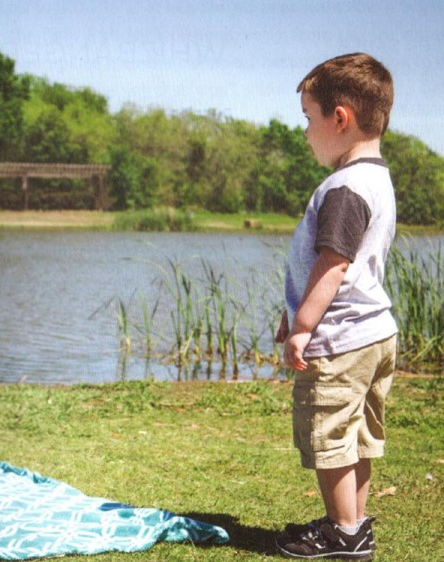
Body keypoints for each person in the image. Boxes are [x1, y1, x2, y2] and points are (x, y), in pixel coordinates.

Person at [274, 53, 397, 560]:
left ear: (339, 118)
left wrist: (303, 325)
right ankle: (351, 523)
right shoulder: (378, 179)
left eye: (308, 118)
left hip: (340, 340)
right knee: (357, 438)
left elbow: (334, 264)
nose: (305, 131)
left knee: (330, 437)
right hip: (374, 334)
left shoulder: (345, 187)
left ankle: (344, 534)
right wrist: (294, 308)